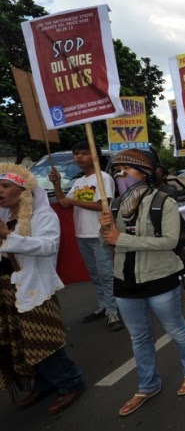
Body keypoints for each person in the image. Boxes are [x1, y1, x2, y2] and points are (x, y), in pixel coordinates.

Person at [99, 149, 185, 416]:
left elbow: (169, 241)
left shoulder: (162, 202)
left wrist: (121, 239)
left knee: (175, 329)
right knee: (139, 338)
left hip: (159, 278)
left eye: (126, 170)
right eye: (117, 170)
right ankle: (147, 385)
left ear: (143, 173)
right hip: (125, 281)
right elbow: (109, 243)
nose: (119, 174)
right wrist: (106, 230)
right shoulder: (114, 205)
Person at [0, 164, 84, 414]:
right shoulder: (3, 216)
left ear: (23, 193)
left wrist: (9, 236)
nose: (0, 192)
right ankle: (44, 383)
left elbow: (48, 247)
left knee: (43, 340)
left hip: (34, 288)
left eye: (5, 187)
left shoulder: (43, 216)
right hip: (6, 289)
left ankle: (71, 382)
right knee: (23, 342)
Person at [48, 140, 122, 331]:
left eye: (83, 153)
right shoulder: (80, 182)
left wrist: (74, 200)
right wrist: (56, 184)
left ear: (95, 156)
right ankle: (105, 306)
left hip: (99, 234)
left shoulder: (103, 178)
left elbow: (102, 206)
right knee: (95, 275)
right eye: (76, 153)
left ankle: (114, 311)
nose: (78, 157)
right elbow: (64, 202)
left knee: (106, 274)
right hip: (82, 235)